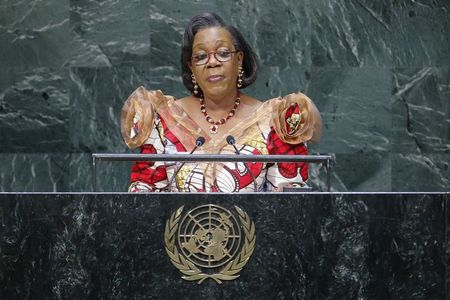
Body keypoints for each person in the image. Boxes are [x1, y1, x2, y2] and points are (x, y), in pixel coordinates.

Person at [120, 12, 322, 192]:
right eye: (200, 56)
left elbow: (291, 205)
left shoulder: (275, 123)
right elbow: (144, 198)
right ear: (192, 67)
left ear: (239, 60)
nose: (212, 62)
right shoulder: (165, 120)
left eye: (223, 53)